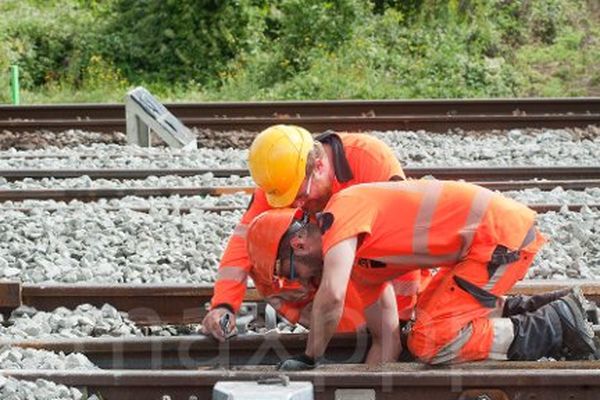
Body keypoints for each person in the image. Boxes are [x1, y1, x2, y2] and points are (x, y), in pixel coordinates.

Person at [246, 180, 597, 369]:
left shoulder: (342, 213)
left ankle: (554, 325)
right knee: (418, 328)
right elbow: (388, 339)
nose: (305, 283)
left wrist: (310, 358)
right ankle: (553, 307)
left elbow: (332, 297)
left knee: (431, 339)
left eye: (292, 273)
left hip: (498, 236)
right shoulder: (362, 266)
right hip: (483, 244)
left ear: (298, 246)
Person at [202, 124, 428, 340]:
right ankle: (332, 328)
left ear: (319, 166)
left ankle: (380, 323)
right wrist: (223, 305)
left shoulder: (369, 160)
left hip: (374, 260)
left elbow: (403, 238)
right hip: (334, 266)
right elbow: (243, 243)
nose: (297, 204)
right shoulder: (283, 179)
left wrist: (397, 324)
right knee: (262, 250)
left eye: (301, 196)